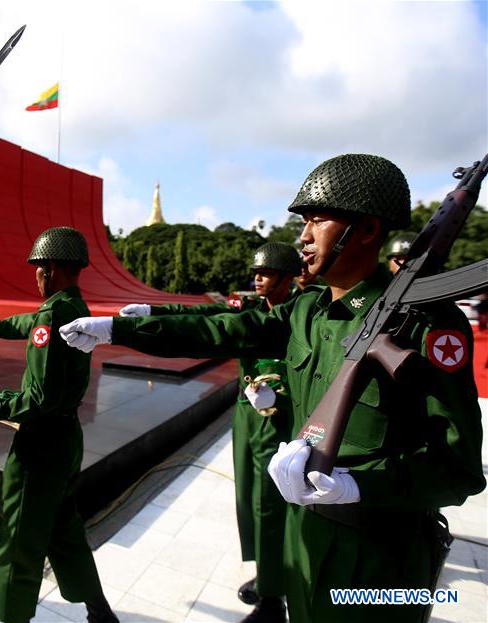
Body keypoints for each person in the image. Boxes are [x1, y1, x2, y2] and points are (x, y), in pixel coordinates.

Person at [59, 154, 485, 623]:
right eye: (303, 221)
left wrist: (357, 485)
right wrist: (116, 330)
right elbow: (224, 329)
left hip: (382, 563)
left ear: (366, 230)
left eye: (318, 219)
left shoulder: (427, 326)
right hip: (303, 541)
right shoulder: (307, 311)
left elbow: (459, 468)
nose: (302, 236)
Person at [119, 241, 301, 623]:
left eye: (265, 273)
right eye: (256, 272)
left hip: (277, 420)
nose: (257, 278)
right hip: (247, 415)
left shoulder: (300, 312)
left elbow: (311, 370)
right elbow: (206, 314)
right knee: (249, 498)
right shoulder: (252, 307)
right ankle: (267, 575)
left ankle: (274, 601)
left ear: (287, 278)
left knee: (270, 505)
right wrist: (151, 310)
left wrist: (280, 394)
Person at [0, 226, 119, 623]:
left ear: (49, 269)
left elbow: (39, 398)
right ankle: (99, 611)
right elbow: (17, 326)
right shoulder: (75, 308)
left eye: (37, 269)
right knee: (63, 533)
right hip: (66, 440)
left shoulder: (51, 312)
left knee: (19, 537)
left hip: (40, 447)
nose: (35, 277)